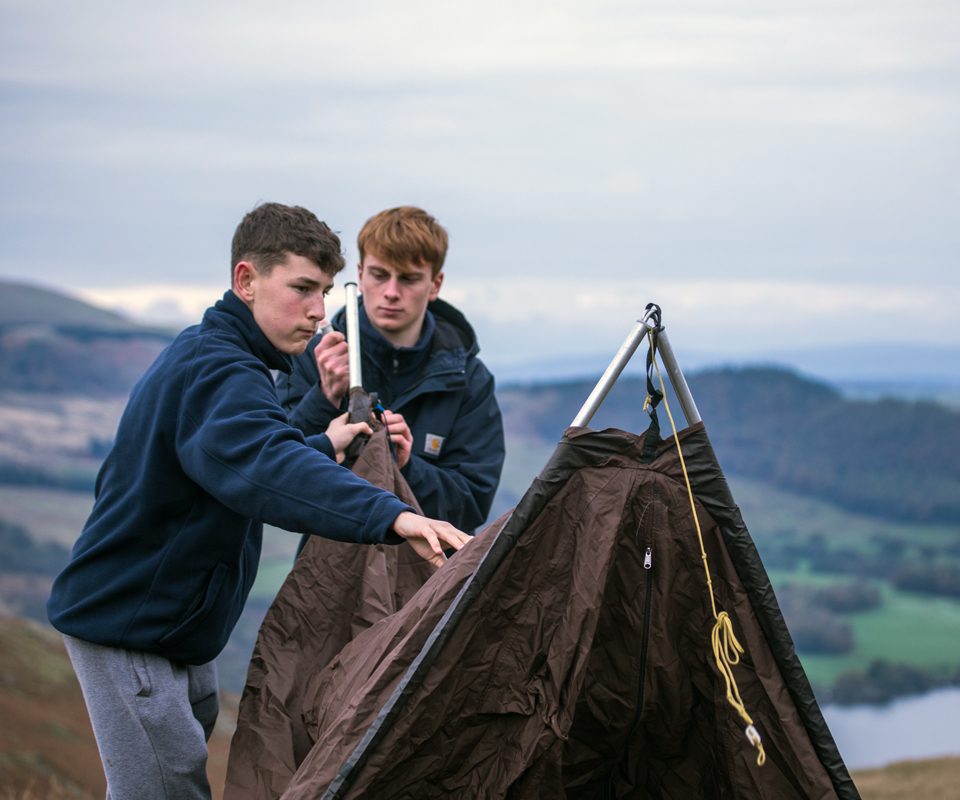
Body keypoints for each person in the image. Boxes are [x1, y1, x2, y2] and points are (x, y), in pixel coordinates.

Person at [46, 202, 470, 800]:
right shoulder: (219, 368)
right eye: (301, 288)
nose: (319, 311)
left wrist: (324, 441)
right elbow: (265, 464)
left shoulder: (230, 360)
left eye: (323, 291)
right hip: (130, 631)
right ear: (246, 280)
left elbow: (235, 453)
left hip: (171, 632)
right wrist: (393, 514)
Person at [278, 206, 505, 534]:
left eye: (409, 279)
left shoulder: (468, 379)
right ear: (360, 274)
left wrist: (406, 467)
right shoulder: (310, 355)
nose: (391, 293)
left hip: (430, 579)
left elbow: (471, 504)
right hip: (328, 569)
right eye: (379, 275)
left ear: (435, 284)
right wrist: (324, 398)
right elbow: (275, 476)